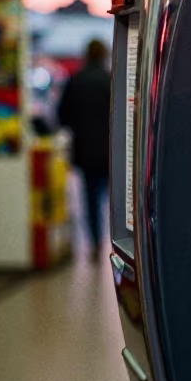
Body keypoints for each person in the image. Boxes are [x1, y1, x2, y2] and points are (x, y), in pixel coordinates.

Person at [58, 39, 112, 259]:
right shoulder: (111, 80)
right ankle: (121, 239)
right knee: (115, 198)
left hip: (85, 150)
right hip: (111, 151)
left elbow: (62, 116)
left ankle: (96, 244)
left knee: (90, 198)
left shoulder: (75, 80)